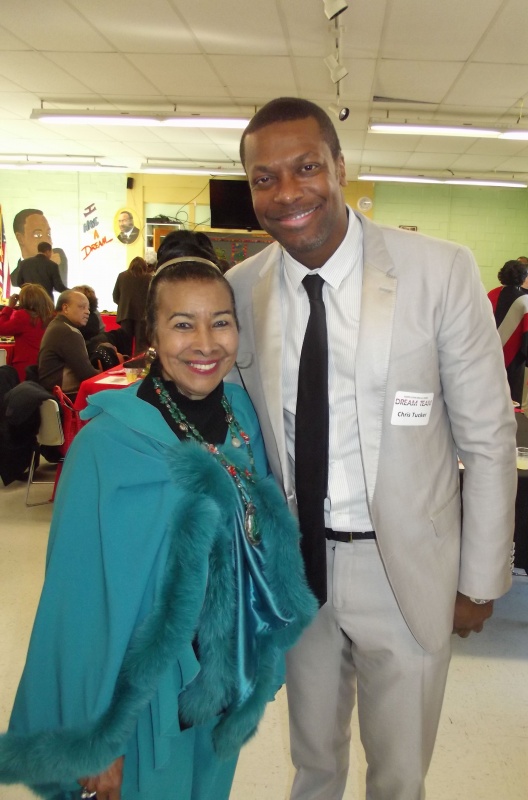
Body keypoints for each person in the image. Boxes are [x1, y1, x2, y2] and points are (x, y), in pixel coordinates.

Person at [227, 97, 517, 800]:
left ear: (339, 166)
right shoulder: (242, 289)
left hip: (406, 567)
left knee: (399, 773)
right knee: (313, 762)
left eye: (305, 168)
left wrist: (480, 579)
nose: (287, 192)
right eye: (265, 178)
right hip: (299, 566)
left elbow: (488, 436)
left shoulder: (439, 270)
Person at [0, 257, 316, 800]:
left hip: (221, 682)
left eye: (220, 322)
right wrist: (96, 736)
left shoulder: (241, 414)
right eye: (182, 324)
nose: (205, 343)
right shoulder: (107, 445)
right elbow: (78, 602)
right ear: (151, 334)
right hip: (142, 697)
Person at [488, 260, 528, 405]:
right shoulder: (524, 300)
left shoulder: (491, 295)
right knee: (510, 396)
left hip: (489, 353)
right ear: (523, 277)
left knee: (490, 394)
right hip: (514, 358)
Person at [37, 289, 99, 396]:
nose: (87, 312)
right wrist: (105, 374)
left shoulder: (57, 325)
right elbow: (86, 374)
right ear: (65, 308)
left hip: (50, 391)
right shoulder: (68, 332)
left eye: (88, 308)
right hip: (64, 396)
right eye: (82, 307)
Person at [0, 284, 54, 381]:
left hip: (25, 365)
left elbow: (1, 329)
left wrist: (9, 307)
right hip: (45, 364)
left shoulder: (23, 316)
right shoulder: (50, 316)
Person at [112, 257, 152, 353]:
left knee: (125, 345)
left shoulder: (121, 276)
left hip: (125, 314)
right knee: (141, 346)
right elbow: (153, 297)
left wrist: (123, 305)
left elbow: (115, 296)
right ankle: (139, 362)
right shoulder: (149, 278)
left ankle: (125, 361)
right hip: (142, 316)